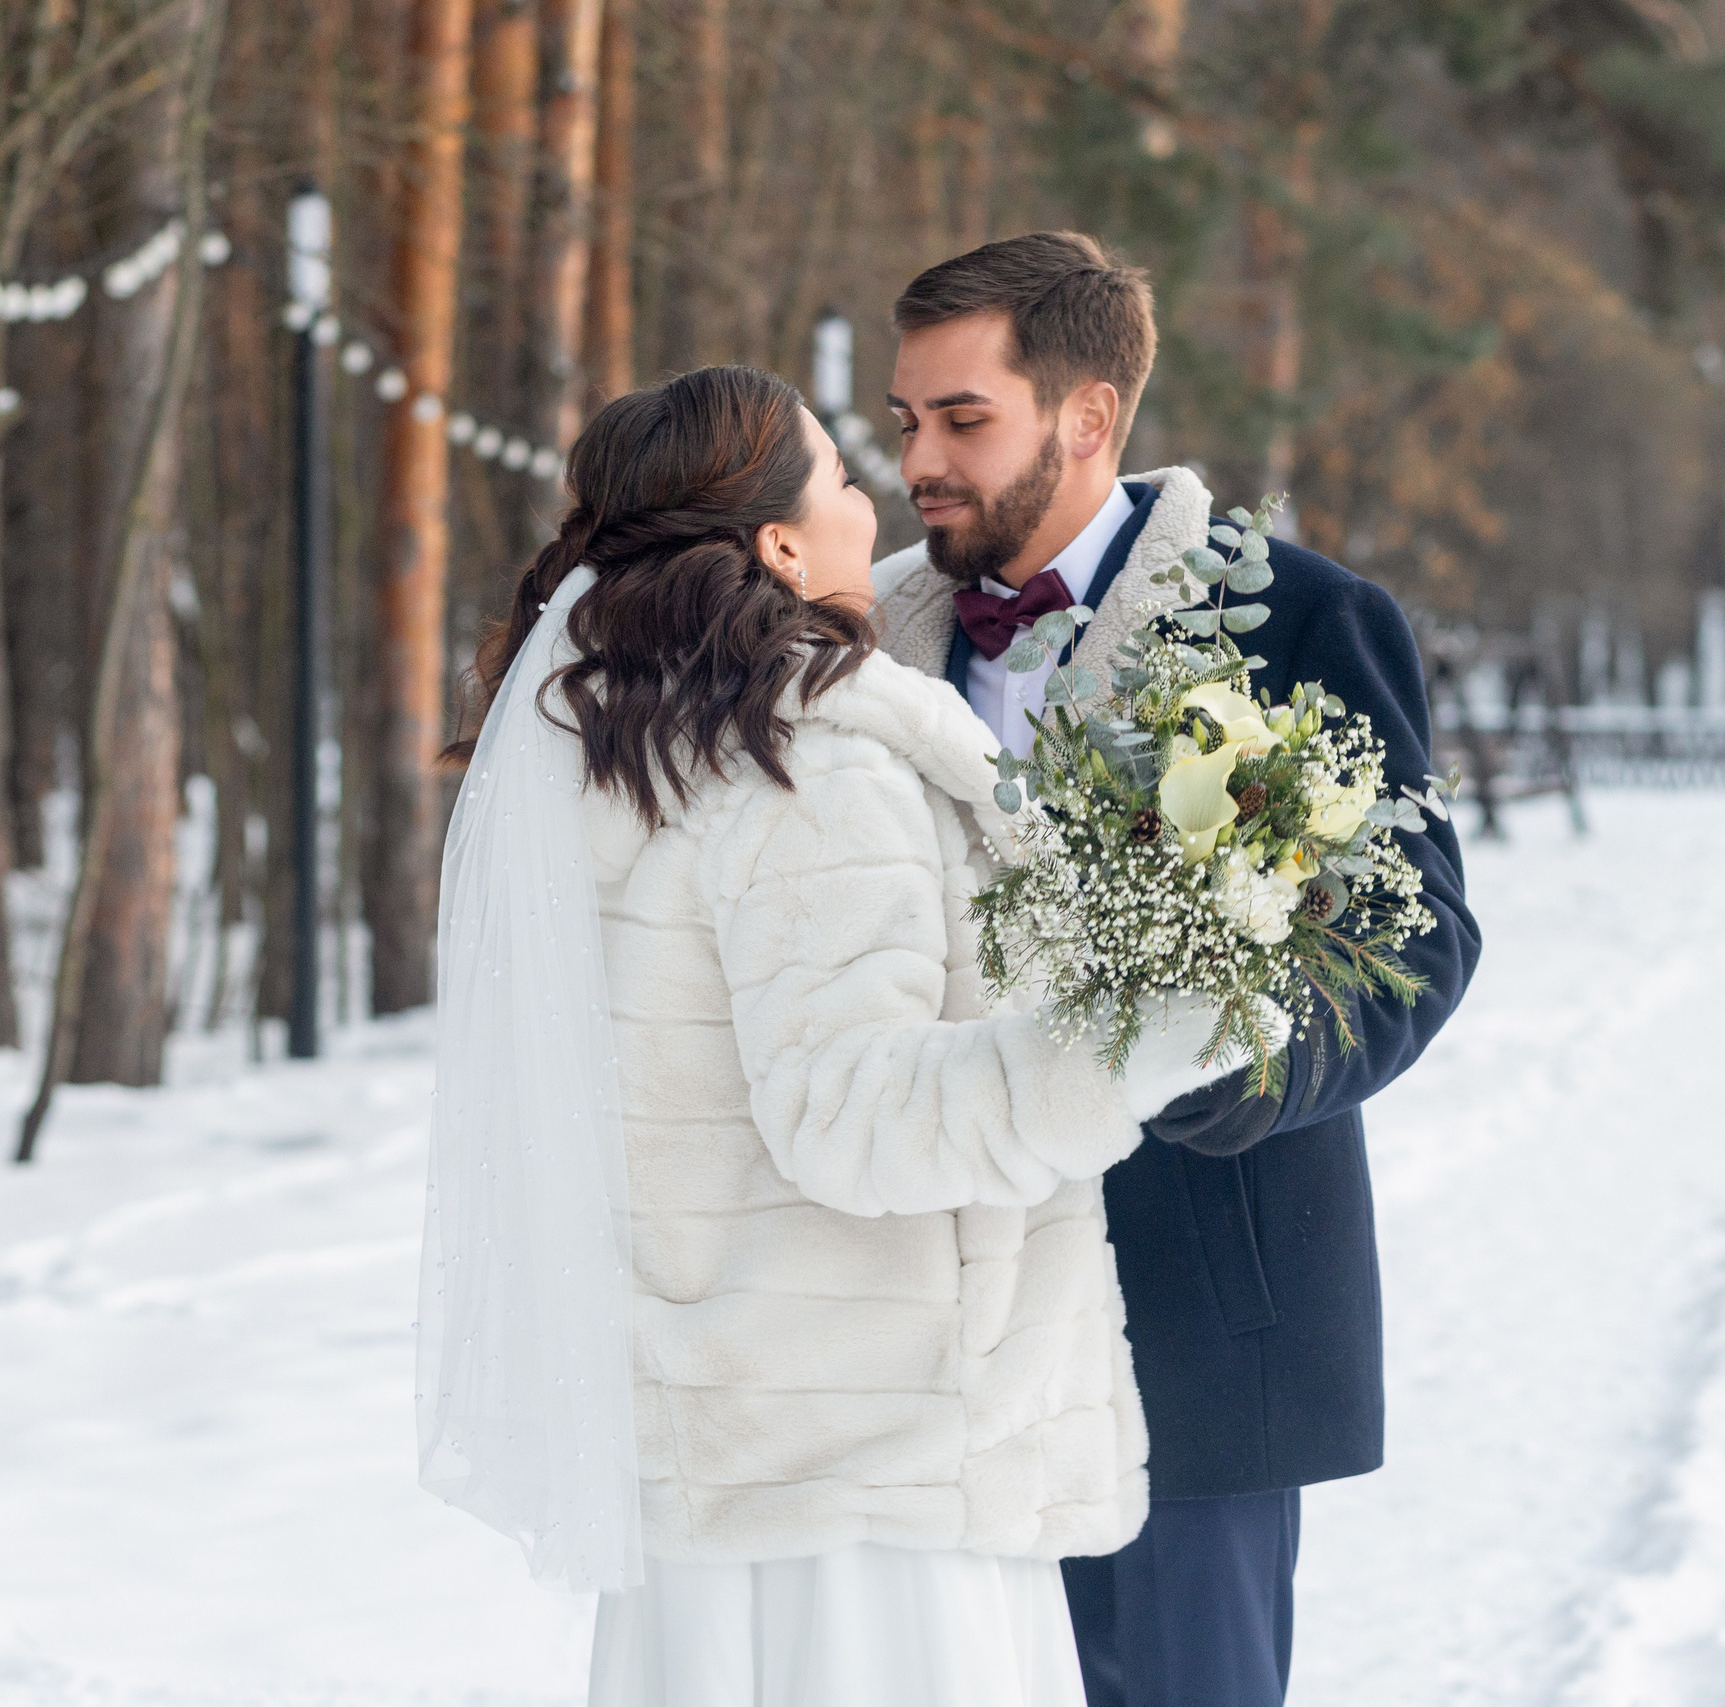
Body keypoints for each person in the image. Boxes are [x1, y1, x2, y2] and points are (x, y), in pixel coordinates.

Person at [419, 365, 1220, 1707]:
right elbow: (861, 1121)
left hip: (726, 1454)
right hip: (871, 1488)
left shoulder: (627, 752)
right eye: (843, 478)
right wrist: (1140, 1030)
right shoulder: (812, 762)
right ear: (780, 544)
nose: (879, 495)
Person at [874, 232, 1484, 1706]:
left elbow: (1418, 935)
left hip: (1198, 1296)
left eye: (965, 420)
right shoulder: (862, 639)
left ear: (1087, 419)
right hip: (931, 1319)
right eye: (906, 422)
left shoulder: (1298, 616)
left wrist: (1242, 1061)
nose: (920, 463)